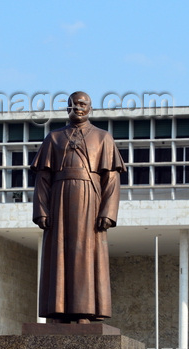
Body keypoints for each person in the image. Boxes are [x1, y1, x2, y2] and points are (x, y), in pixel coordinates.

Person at [31, 91, 126, 323]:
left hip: (90, 201)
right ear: (67, 108)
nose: (78, 108)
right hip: (59, 201)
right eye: (73, 104)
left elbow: (111, 179)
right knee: (59, 254)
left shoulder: (103, 138)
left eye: (82, 104)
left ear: (90, 108)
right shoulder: (54, 138)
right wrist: (41, 209)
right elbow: (43, 178)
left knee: (86, 254)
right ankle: (58, 311)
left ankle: (85, 311)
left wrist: (108, 212)